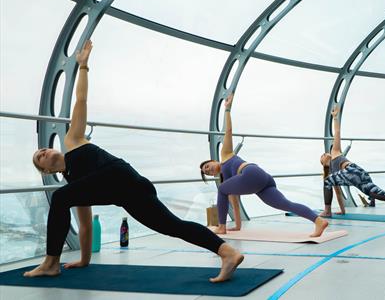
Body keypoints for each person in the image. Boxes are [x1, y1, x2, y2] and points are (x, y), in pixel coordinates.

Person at [27, 40, 243, 282]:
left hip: (121, 176)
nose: (44, 151)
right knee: (173, 226)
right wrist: (85, 260)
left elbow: (81, 101)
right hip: (131, 194)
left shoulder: (73, 140)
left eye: (44, 149)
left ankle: (50, 263)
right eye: (39, 157)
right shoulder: (75, 187)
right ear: (45, 170)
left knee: (60, 197)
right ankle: (228, 253)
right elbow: (85, 226)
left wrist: (84, 66)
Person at [200, 94, 329, 238]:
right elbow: (235, 202)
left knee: (222, 190)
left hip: (251, 173)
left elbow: (228, 132)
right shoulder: (228, 182)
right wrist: (237, 225)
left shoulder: (225, 155)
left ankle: (221, 227)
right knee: (285, 204)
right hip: (263, 182)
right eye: (207, 173)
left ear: (212, 160)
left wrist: (227, 109)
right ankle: (318, 221)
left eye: (207, 166)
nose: (209, 170)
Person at [319, 106, 385, 219]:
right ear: (324, 164)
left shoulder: (334, 152)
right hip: (361, 174)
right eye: (322, 156)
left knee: (327, 181)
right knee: (380, 195)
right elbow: (338, 194)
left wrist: (335, 117)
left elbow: (337, 132)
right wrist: (342, 211)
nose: (324, 154)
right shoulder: (334, 176)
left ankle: (327, 211)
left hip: (352, 170)